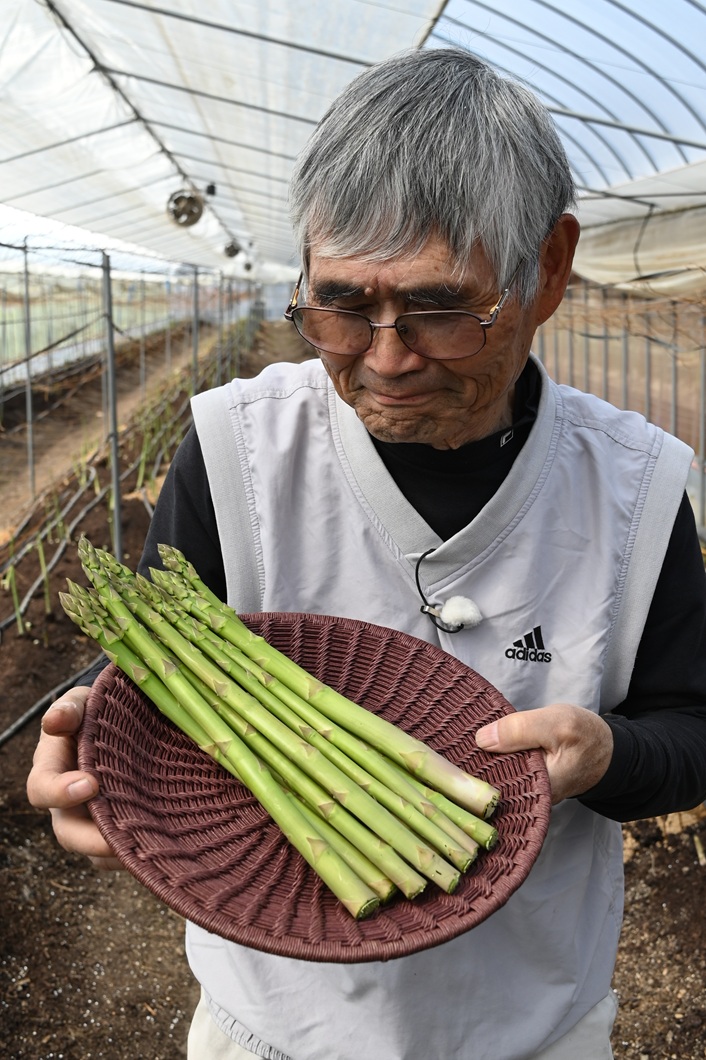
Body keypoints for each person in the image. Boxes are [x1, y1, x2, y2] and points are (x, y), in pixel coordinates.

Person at [27, 47, 706, 1060]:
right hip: (265, 1028)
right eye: (341, 305)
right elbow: (168, 675)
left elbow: (690, 724)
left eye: (439, 308)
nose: (385, 359)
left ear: (549, 267)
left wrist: (612, 755)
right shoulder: (231, 449)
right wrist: (93, 759)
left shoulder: (642, 488)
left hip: (530, 1030)